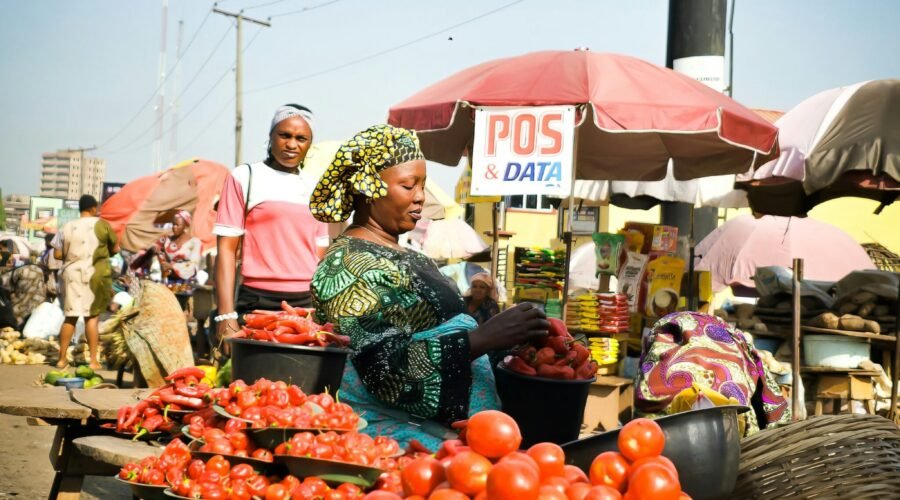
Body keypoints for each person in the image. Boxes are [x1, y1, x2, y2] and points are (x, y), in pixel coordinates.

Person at [310, 124, 549, 449]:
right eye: (408, 185)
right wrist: (482, 338)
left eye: (422, 185)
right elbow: (383, 371)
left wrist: (519, 342)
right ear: (367, 189)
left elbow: (448, 329)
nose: (421, 196)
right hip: (407, 449)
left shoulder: (412, 256)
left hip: (467, 437)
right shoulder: (346, 268)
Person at [213, 104, 329, 353]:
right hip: (257, 300)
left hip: (305, 305)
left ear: (309, 144)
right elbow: (226, 250)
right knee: (250, 384)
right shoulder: (246, 177)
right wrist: (225, 316)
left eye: (301, 138)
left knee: (300, 386)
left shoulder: (316, 187)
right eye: (284, 135)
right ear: (271, 136)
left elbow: (319, 254)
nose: (292, 144)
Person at [634, 311, 791, 436]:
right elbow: (775, 417)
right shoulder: (736, 353)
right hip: (737, 450)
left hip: (665, 453)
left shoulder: (654, 383)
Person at [52, 195, 119, 369]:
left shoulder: (67, 226)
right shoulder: (102, 225)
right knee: (92, 317)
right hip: (95, 275)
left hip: (71, 274)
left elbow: (57, 255)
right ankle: (94, 361)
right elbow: (115, 249)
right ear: (94, 208)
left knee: (71, 315)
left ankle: (61, 359)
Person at [157, 210, 202, 282]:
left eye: (177, 225)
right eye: (173, 224)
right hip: (167, 282)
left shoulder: (195, 243)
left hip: (186, 284)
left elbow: (193, 265)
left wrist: (172, 266)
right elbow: (158, 252)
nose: (174, 227)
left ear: (185, 226)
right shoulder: (167, 241)